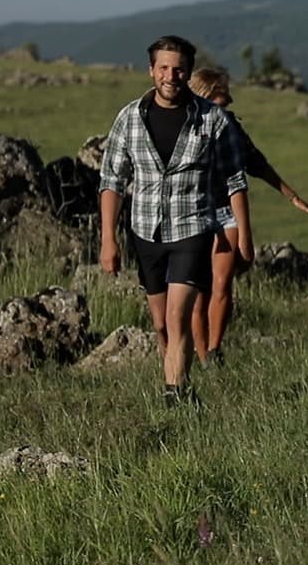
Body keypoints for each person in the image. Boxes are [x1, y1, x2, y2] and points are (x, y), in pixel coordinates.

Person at [98, 35, 251, 406]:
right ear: (151, 71)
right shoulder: (129, 118)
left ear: (188, 72)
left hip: (192, 227)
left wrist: (245, 236)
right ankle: (179, 381)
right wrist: (108, 239)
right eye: (163, 68)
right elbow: (112, 180)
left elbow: (235, 179)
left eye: (178, 68)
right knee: (160, 323)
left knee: (177, 314)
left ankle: (174, 394)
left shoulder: (212, 119)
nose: (171, 76)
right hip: (145, 229)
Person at [187, 68, 308, 367]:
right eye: (220, 103)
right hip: (193, 214)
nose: (225, 110)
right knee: (197, 291)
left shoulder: (230, 126)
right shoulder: (184, 128)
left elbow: (255, 163)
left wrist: (291, 195)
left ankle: (214, 350)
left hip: (225, 212)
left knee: (222, 282)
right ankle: (201, 352)